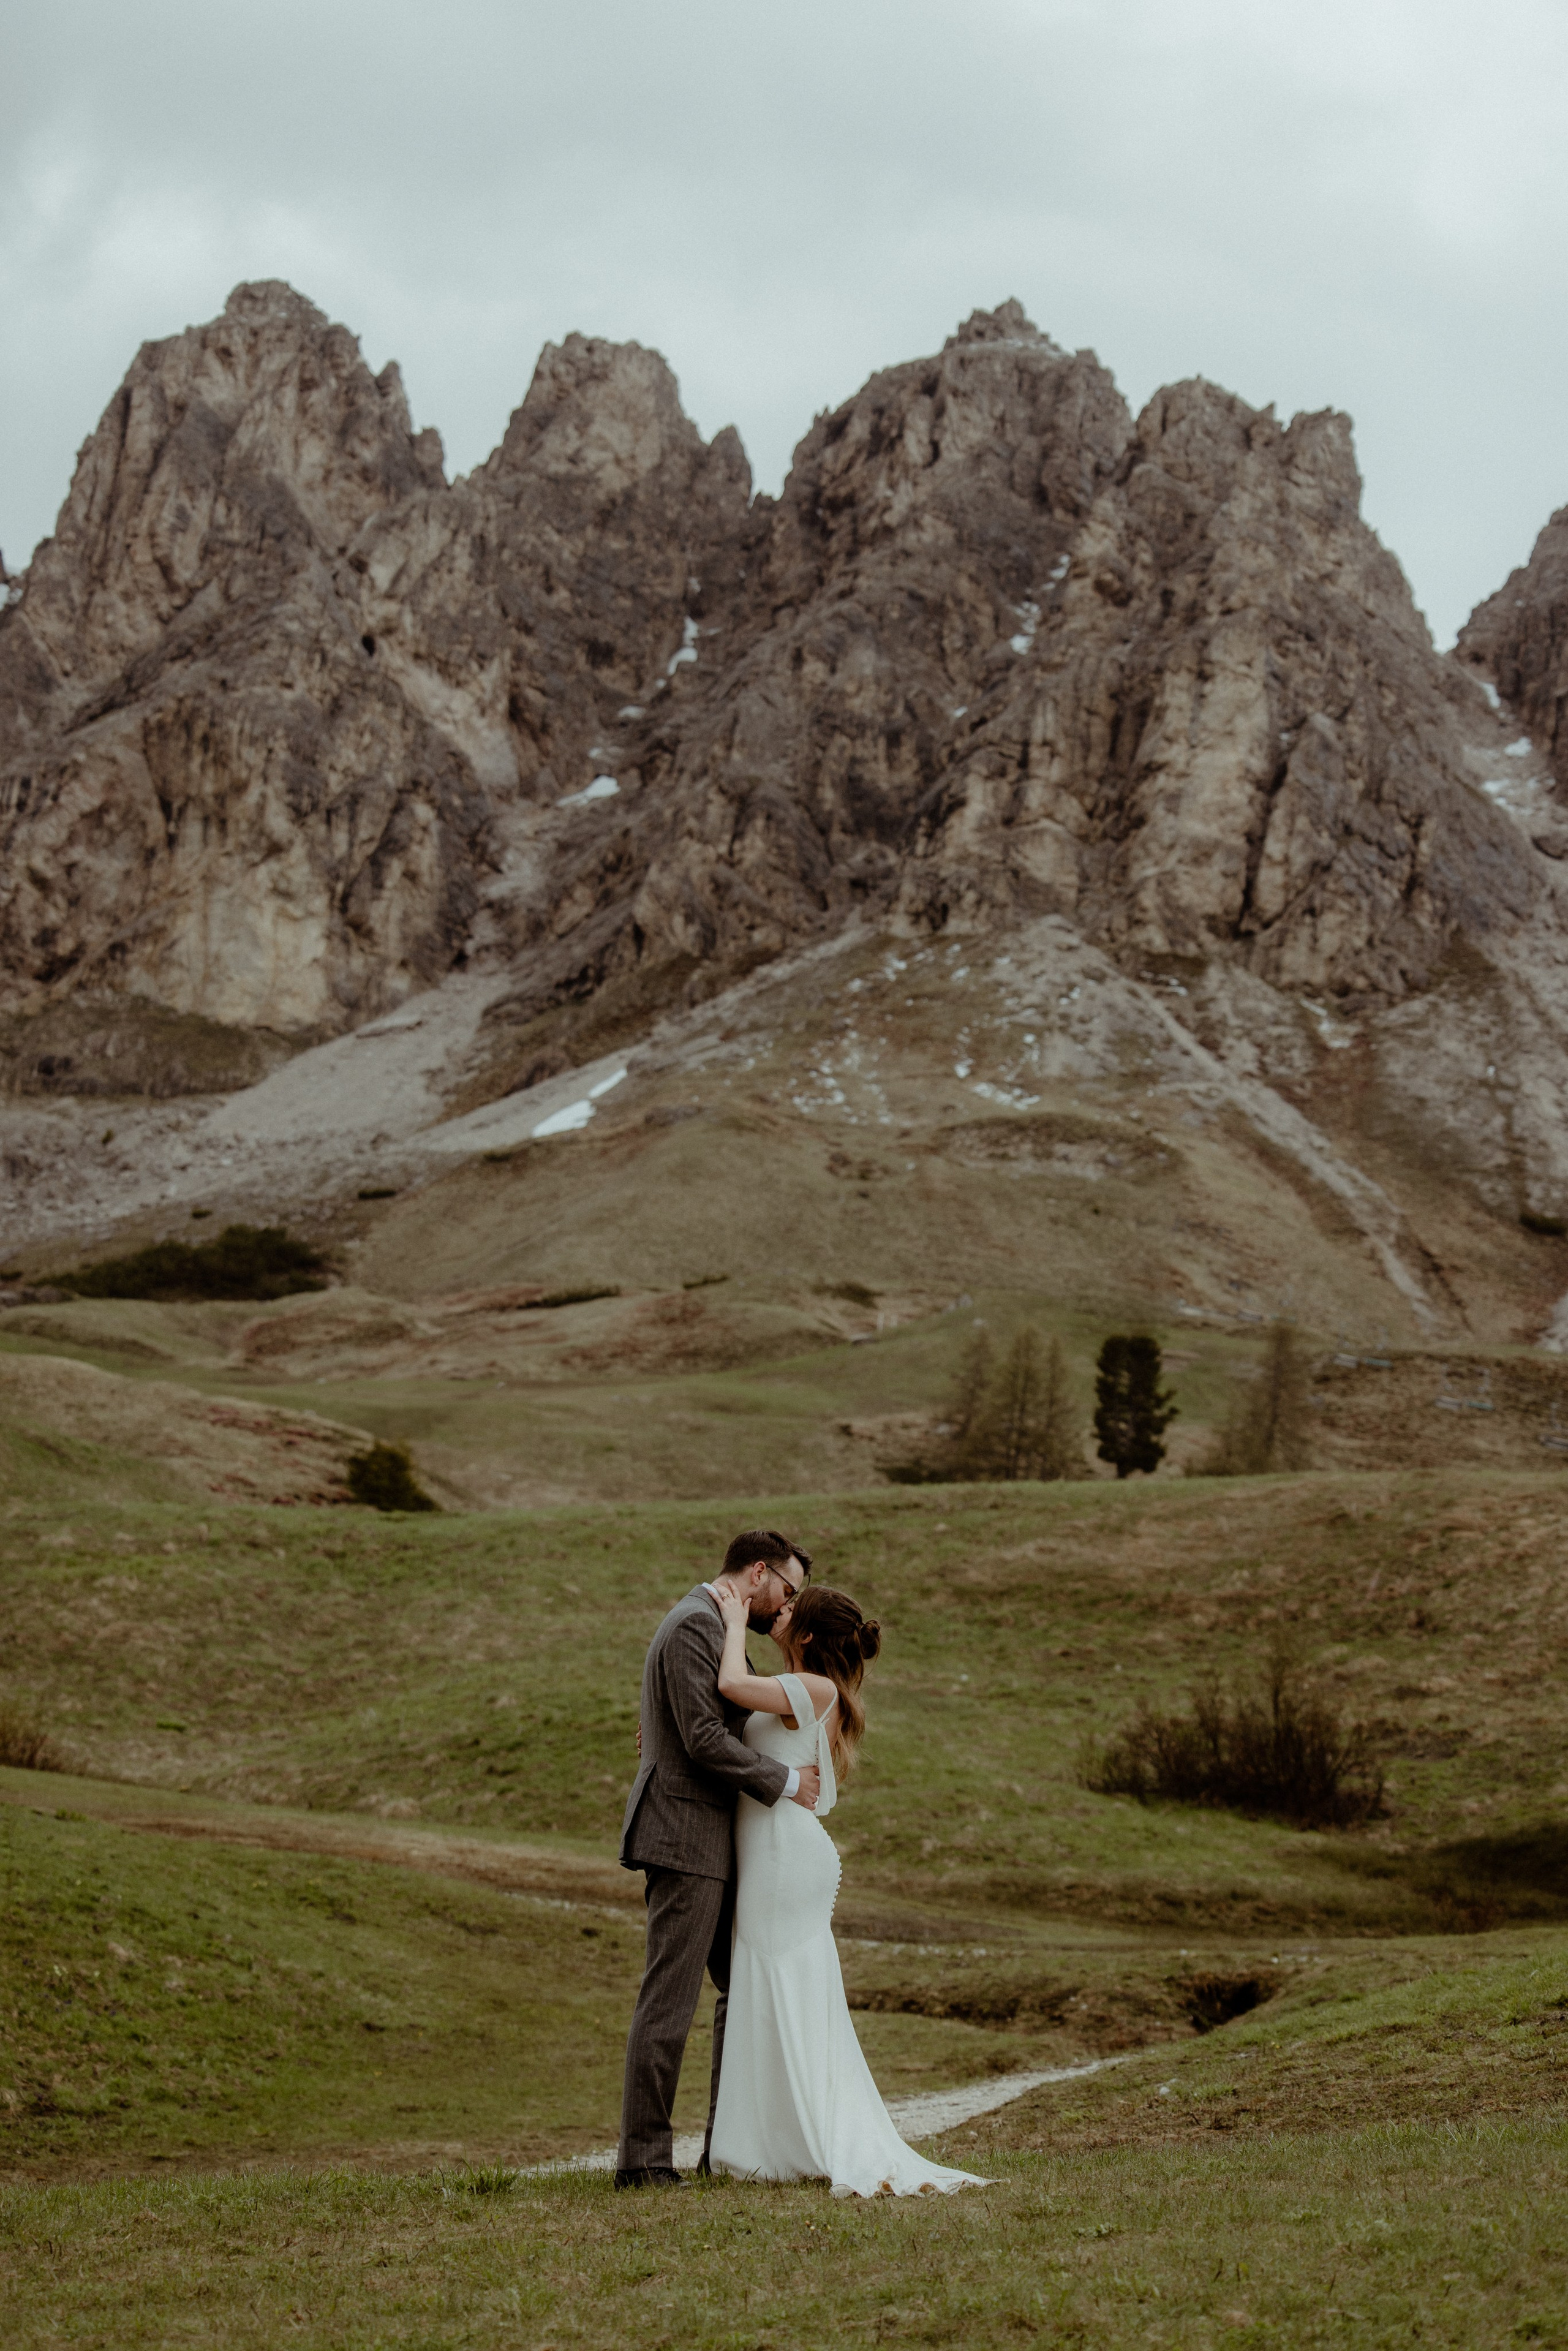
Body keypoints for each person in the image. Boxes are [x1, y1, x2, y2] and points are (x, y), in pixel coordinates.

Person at [708, 1578, 987, 2198]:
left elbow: (729, 1684)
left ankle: (799, 2137)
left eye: (786, 1611)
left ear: (805, 1634)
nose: (773, 1613)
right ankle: (772, 2141)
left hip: (784, 1856)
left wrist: (730, 1620)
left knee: (780, 1983)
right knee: (771, 1984)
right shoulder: (801, 1688)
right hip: (775, 1851)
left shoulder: (814, 1687)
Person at [615, 1530, 821, 2189]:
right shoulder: (693, 1624)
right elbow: (703, 1738)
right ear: (757, 1573)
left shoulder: (713, 1626)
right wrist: (789, 1783)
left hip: (716, 1836)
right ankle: (643, 2162)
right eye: (787, 1590)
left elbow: (724, 1714)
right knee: (669, 2001)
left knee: (745, 1988)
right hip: (683, 1833)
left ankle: (724, 2147)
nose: (786, 1605)